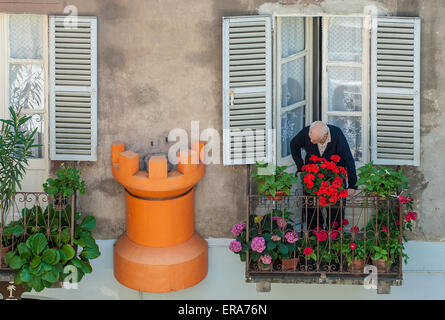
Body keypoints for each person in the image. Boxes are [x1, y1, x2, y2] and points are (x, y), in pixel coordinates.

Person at [290, 121, 358, 232]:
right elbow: (294, 144)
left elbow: (348, 159)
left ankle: (334, 235)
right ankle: (315, 234)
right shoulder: (307, 133)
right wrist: (300, 167)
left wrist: (352, 185)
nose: (310, 142)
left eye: (314, 140)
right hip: (312, 177)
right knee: (311, 206)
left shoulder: (336, 134)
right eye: (310, 138)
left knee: (335, 209)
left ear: (325, 136)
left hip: (334, 177)